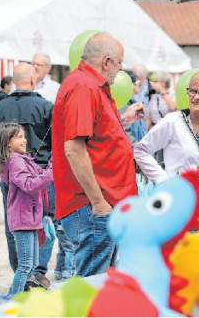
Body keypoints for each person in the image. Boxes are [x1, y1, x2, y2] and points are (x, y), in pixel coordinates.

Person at [52, 32, 144, 277]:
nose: (121, 68)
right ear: (106, 62)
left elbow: (97, 133)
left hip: (101, 201)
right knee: (91, 284)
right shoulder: (84, 86)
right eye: (119, 62)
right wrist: (98, 202)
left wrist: (123, 121)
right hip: (93, 204)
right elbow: (74, 148)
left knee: (100, 281)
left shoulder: (91, 85)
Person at [0, 62, 57, 288]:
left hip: (10, 174)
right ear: (34, 81)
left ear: (13, 81)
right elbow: (57, 142)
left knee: (14, 222)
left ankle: (22, 272)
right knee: (42, 223)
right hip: (41, 175)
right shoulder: (46, 106)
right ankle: (37, 272)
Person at [134, 71, 199, 223]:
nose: (196, 97)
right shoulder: (173, 122)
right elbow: (141, 150)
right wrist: (165, 181)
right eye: (192, 91)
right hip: (180, 213)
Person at [0, 122, 53, 297]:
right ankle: (13, 298)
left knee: (32, 263)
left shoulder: (23, 158)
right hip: (23, 220)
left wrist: (51, 164)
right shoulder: (16, 160)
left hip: (30, 219)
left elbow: (40, 174)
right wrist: (52, 171)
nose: (24, 140)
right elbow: (28, 184)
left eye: (23, 136)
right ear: (7, 143)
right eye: (19, 137)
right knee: (26, 264)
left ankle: (20, 297)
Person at [130, 64, 151, 142]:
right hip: (135, 124)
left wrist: (146, 127)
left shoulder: (150, 86)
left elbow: (153, 107)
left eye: (134, 72)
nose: (132, 74)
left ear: (141, 73)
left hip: (146, 125)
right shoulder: (132, 86)